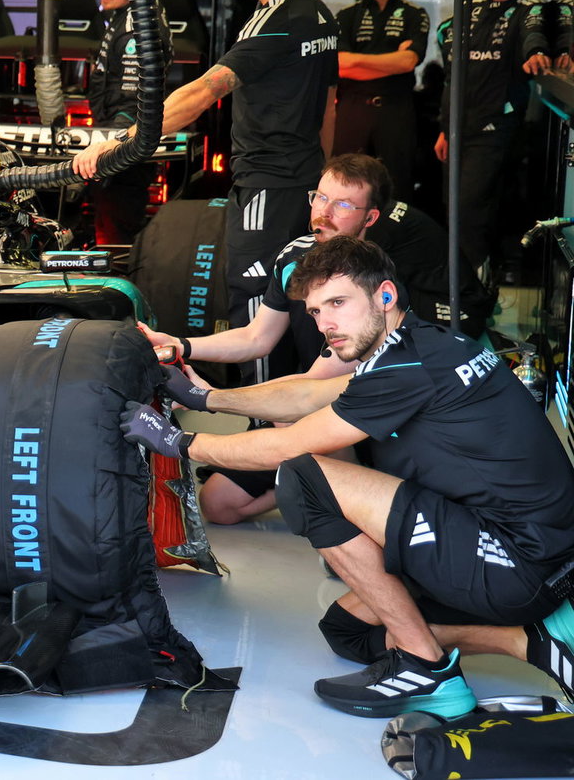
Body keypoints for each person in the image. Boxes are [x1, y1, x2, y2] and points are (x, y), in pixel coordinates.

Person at [126, 236, 574, 720]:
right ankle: (534, 642)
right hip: (521, 549)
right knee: (348, 632)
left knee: (304, 477)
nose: (327, 324)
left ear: (384, 295)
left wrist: (179, 443)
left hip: (516, 561)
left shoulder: (408, 365)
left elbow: (286, 444)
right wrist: (206, 399)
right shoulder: (414, 346)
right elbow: (306, 395)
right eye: (317, 311)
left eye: (338, 303)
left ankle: (427, 669)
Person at [142, 153, 492, 523]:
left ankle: (352, 499)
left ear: (370, 218)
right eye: (320, 197)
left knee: (286, 417)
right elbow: (256, 338)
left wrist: (202, 401)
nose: (325, 211)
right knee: (218, 504)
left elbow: (310, 390)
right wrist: (183, 345)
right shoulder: (294, 257)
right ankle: (312, 489)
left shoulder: (377, 282)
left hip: (371, 427)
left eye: (343, 204)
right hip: (311, 406)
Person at [75, 0, 339, 365]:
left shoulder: (274, 18)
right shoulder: (318, 13)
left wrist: (119, 143)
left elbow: (201, 92)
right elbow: (330, 105)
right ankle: (292, 418)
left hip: (266, 185)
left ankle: (262, 420)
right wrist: (324, 181)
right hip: (303, 183)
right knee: (300, 304)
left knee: (257, 301)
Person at [433, 0, 548, 277]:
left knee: (471, 209)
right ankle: (461, 283)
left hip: (498, 128)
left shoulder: (532, 10)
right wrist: (444, 127)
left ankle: (476, 284)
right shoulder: (469, 12)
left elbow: (536, 35)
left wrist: (537, 52)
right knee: (452, 208)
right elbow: (453, 77)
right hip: (457, 129)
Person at [86, 0, 167, 245]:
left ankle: (116, 285)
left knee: (115, 233)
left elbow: (133, 100)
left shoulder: (138, 26)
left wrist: (111, 144)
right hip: (118, 138)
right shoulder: (127, 17)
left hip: (124, 146)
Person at [334, 0, 429, 197]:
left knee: (397, 185)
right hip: (352, 108)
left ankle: (394, 236)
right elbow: (341, 64)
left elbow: (408, 62)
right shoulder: (346, 15)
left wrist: (359, 62)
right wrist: (391, 61)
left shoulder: (414, 14)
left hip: (395, 109)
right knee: (344, 180)